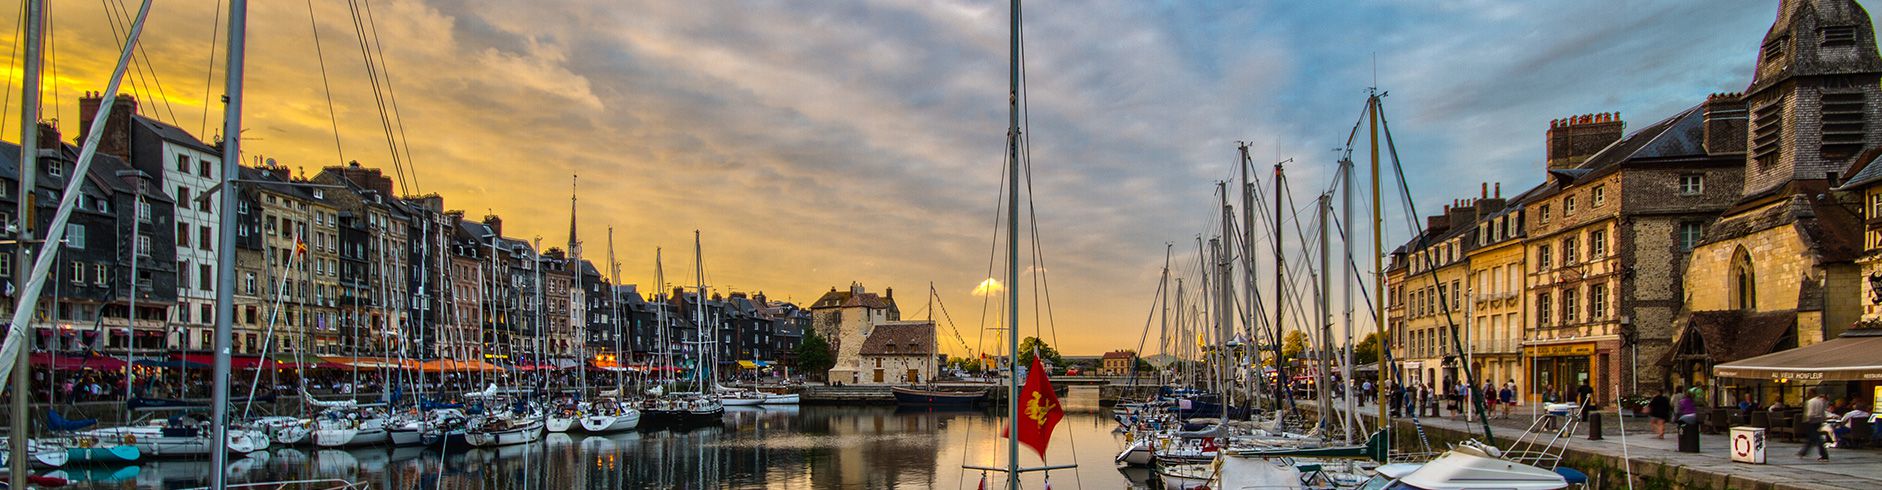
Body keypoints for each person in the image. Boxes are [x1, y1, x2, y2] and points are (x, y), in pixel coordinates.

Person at [1798, 389, 1830, 461]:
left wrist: (1807, 419)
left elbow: (1810, 413)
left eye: (1809, 393)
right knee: (1812, 437)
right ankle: (1803, 452)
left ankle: (1824, 455)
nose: (1808, 394)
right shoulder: (1821, 401)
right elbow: (1823, 411)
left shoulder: (1810, 402)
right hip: (1818, 421)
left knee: (1817, 437)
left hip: (1811, 421)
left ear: (1812, 393)